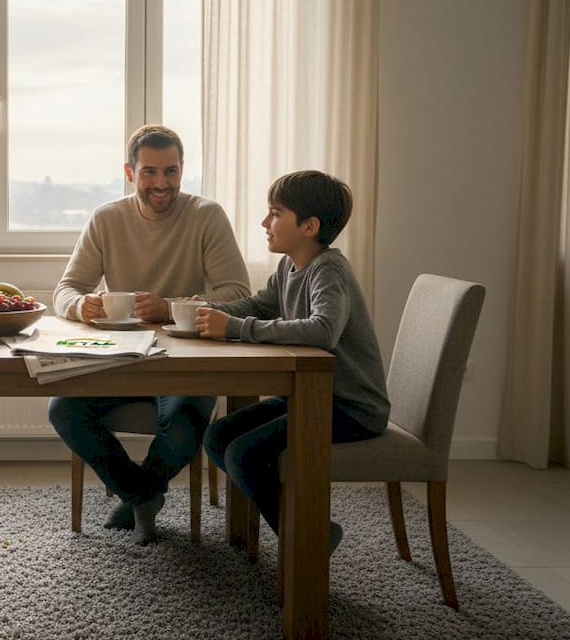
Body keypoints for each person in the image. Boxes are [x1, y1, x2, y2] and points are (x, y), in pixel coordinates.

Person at [49, 124, 251, 544]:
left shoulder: (206, 216)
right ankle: (142, 493)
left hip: (184, 359)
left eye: (171, 172)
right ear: (129, 172)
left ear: (182, 171)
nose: (162, 184)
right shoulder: (106, 218)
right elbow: (65, 289)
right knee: (62, 409)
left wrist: (169, 307)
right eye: (150, 172)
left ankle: (137, 494)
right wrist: (79, 306)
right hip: (118, 356)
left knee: (185, 422)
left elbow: (239, 294)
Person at [197, 170, 390, 555]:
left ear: (309, 226)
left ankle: (307, 538)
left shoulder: (329, 270)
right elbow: (256, 306)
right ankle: (306, 528)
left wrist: (234, 327)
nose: (264, 223)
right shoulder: (288, 267)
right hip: (311, 397)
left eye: (275, 213)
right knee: (218, 438)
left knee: (242, 453)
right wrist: (202, 310)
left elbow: (322, 331)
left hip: (351, 407)